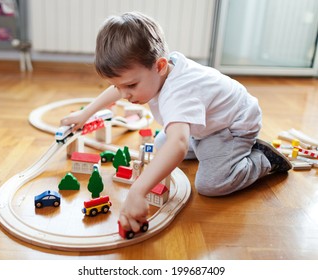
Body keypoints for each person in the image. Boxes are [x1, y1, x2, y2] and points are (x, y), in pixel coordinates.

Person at [60, 11, 292, 233]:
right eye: (119, 86)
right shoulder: (159, 68)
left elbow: (179, 145)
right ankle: (209, 146)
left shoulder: (179, 92)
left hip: (231, 127)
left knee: (210, 185)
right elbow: (118, 90)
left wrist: (138, 192)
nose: (124, 95)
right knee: (161, 148)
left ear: (160, 66)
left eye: (130, 86)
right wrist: (85, 114)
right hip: (204, 124)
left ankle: (262, 159)